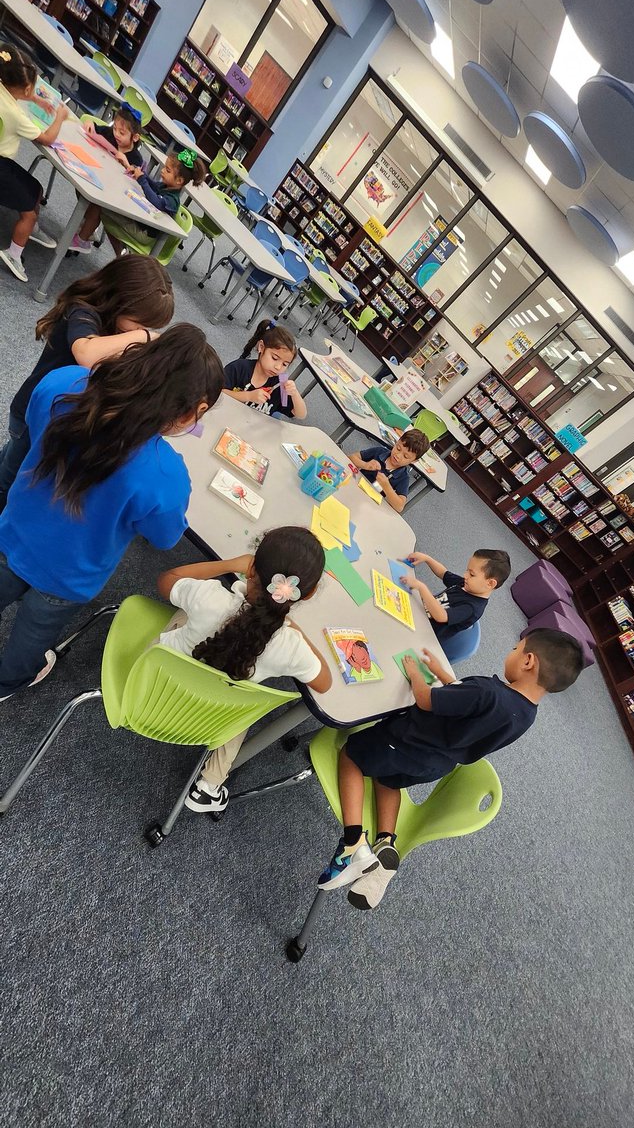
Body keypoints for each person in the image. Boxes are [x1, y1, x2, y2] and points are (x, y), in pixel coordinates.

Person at [0, 324, 223, 701]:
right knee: (33, 636)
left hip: (14, 530)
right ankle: (7, 683)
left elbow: (30, 435)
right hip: (68, 576)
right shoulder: (166, 475)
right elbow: (164, 537)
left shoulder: (65, 382)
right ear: (194, 411)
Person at [318, 628, 584, 908]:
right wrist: (444, 675)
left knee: (351, 756)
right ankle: (386, 842)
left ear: (529, 661)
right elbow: (468, 703)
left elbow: (425, 699)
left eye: (516, 649)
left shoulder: (486, 690)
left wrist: (417, 674)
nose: (511, 653)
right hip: (436, 764)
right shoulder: (526, 715)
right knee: (388, 782)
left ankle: (352, 845)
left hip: (405, 742)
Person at [155, 526, 331, 813]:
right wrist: (292, 629)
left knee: (185, 613)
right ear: (307, 595)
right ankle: (209, 785)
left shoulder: (209, 596)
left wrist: (228, 565)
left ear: (251, 568)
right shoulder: (289, 646)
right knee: (244, 703)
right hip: (208, 717)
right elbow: (324, 681)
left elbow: (167, 580)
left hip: (156, 687)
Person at [0, 255, 175, 510]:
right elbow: (87, 354)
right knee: (13, 478)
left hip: (55, 415)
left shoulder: (116, 327)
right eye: (139, 324)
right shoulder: (81, 310)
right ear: (119, 299)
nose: (139, 331)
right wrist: (143, 335)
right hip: (33, 412)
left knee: (14, 456)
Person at [0, 45, 69, 282]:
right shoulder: (17, 116)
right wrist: (59, 117)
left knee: (36, 189)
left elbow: (21, 91)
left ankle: (32, 229)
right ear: (28, 87)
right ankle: (13, 254)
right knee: (28, 214)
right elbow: (48, 138)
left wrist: (38, 101)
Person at [401, 549, 511, 658]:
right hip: (417, 615)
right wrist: (427, 559)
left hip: (421, 635)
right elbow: (443, 573)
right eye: (467, 570)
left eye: (472, 574)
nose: (465, 575)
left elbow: (441, 616)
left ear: (490, 583)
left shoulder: (472, 608)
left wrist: (422, 588)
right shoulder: (467, 584)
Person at [98, 149, 207, 256]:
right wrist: (141, 174)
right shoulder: (165, 186)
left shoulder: (173, 200)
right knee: (107, 212)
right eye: (164, 167)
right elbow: (153, 185)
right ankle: (121, 254)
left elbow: (157, 202)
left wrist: (142, 180)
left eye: (168, 170)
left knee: (103, 208)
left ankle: (121, 255)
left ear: (179, 181)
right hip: (140, 222)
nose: (163, 170)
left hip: (145, 233)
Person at [70, 104, 145, 253]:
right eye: (115, 128)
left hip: (113, 193)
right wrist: (90, 125)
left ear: (135, 137)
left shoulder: (136, 157)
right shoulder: (110, 134)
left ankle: (82, 240)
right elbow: (96, 128)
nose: (116, 134)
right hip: (97, 177)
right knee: (83, 191)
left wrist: (126, 164)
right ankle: (88, 229)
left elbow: (134, 180)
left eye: (122, 132)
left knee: (96, 206)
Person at [223, 320, 307, 419]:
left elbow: (300, 415)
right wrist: (248, 396)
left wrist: (294, 393)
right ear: (261, 347)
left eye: (285, 364)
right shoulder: (239, 367)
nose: (278, 367)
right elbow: (218, 393)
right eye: (274, 358)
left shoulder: (280, 383)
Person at [348, 428, 430, 513]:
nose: (398, 455)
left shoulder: (403, 478)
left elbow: (399, 507)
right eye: (398, 448)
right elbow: (351, 457)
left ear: (414, 461)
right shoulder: (379, 451)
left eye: (405, 456)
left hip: (368, 503)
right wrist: (365, 465)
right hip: (353, 485)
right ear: (397, 441)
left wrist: (386, 486)